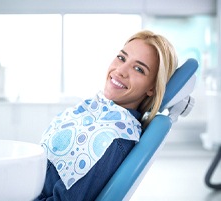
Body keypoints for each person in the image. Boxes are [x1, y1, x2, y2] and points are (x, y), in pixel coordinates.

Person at [34, 30, 178, 201]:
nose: (120, 71)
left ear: (152, 88)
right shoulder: (94, 109)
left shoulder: (111, 139)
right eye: (122, 58)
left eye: (138, 69)